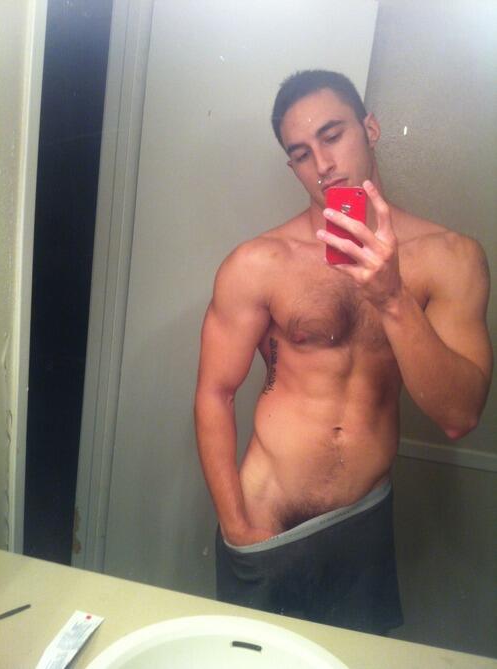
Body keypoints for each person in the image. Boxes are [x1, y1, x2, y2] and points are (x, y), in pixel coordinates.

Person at [194, 70, 492, 634]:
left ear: (370, 128)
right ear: (291, 165)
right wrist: (235, 524)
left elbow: (459, 415)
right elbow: (215, 392)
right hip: (265, 517)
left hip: (362, 520)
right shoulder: (259, 263)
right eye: (301, 153)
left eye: (333, 135)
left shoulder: (450, 258)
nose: (323, 164)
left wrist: (393, 299)